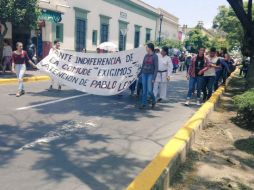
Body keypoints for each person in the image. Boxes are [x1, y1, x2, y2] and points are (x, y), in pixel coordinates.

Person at [140, 43, 158, 109]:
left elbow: (156, 68)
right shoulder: (145, 55)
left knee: (150, 90)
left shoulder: (155, 56)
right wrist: (140, 73)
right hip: (144, 74)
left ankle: (154, 100)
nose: (146, 48)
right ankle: (143, 103)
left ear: (150, 48)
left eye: (146, 47)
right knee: (144, 90)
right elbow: (143, 65)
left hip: (151, 74)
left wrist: (154, 78)